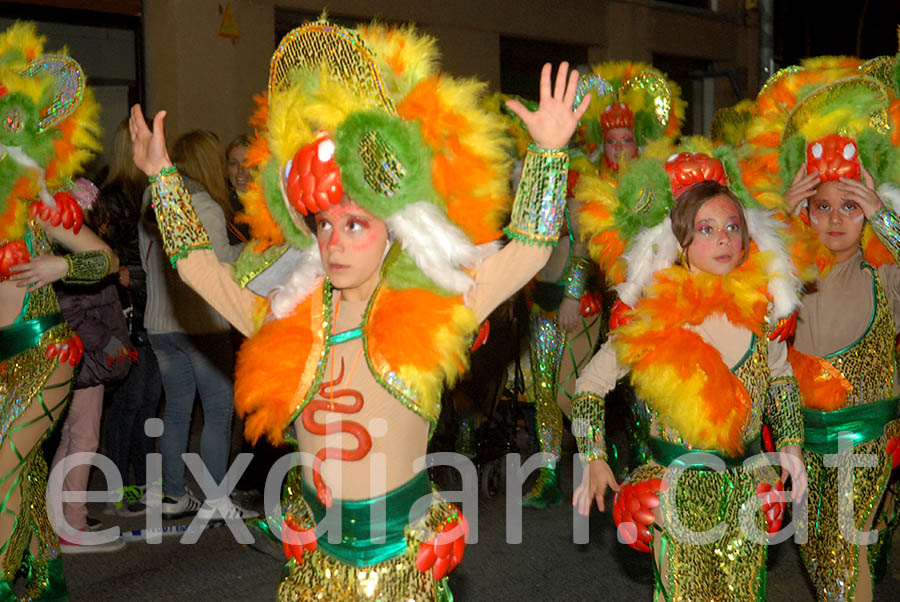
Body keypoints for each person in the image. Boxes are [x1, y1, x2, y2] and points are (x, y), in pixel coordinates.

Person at [130, 18, 587, 600]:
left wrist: (549, 152)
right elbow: (199, 270)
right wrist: (163, 179)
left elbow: (527, 251)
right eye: (323, 225)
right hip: (316, 565)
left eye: (355, 224)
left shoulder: (431, 307)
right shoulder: (287, 318)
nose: (336, 242)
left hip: (402, 563)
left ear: (393, 231)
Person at [571, 147, 807, 601]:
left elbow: (780, 380)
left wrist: (792, 444)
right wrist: (593, 456)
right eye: (706, 229)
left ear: (746, 240)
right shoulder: (652, 319)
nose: (723, 239)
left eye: (732, 228)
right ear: (680, 244)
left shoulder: (759, 314)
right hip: (676, 497)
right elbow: (590, 385)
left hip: (747, 492)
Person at [746, 61, 900, 601]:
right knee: (832, 559)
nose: (836, 219)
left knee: (842, 560)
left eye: (850, 208)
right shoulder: (782, 279)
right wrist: (777, 224)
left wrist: (883, 213)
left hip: (867, 441)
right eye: (822, 207)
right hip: (800, 442)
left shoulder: (885, 279)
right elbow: (731, 292)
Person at [0, 22, 115, 598]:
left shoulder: (35, 207)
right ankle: (45, 585)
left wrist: (58, 267)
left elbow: (106, 260)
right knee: (22, 472)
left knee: (2, 472)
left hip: (43, 353)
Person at [139, 129, 253, 521]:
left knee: (177, 411)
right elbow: (219, 266)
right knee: (219, 411)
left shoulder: (151, 199)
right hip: (201, 324)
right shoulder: (204, 205)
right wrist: (254, 251)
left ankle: (173, 495)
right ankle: (217, 500)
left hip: (159, 323)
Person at [49, 180, 130, 554]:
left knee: (71, 439)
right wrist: (112, 343)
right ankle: (74, 525)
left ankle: (57, 518)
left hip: (82, 360)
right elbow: (75, 314)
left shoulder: (69, 254)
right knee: (84, 440)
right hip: (84, 361)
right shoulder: (75, 259)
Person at [101, 118, 162, 516]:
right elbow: (111, 260)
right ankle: (120, 487)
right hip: (128, 313)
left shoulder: (148, 192)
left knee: (146, 403)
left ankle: (142, 483)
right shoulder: (114, 197)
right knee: (130, 403)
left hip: (152, 307)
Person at [225, 134, 251, 244]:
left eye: (247, 162)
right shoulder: (223, 209)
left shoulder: (275, 205)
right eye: (234, 163)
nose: (240, 171)